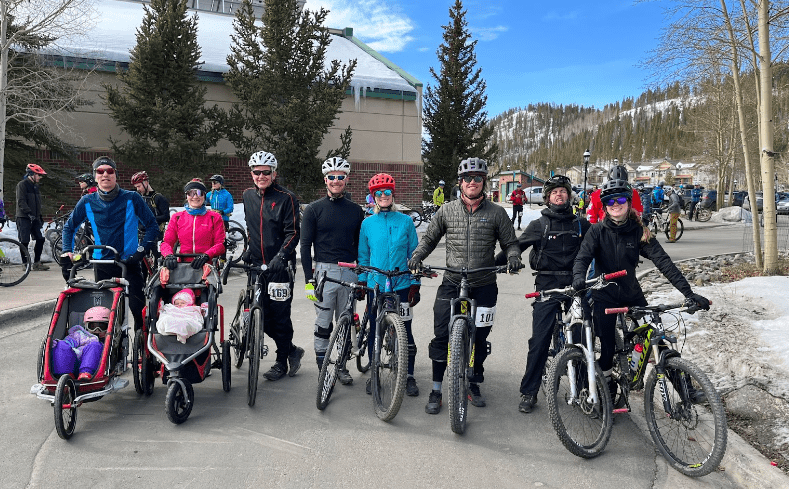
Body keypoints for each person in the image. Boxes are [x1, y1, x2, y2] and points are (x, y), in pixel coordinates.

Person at [572, 178, 710, 403]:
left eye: (620, 200)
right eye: (609, 201)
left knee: (657, 337)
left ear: (628, 203)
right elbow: (582, 258)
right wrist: (579, 277)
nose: (615, 205)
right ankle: (609, 396)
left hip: (631, 294)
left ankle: (687, 391)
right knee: (606, 349)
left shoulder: (639, 231)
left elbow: (664, 262)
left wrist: (688, 293)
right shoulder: (596, 231)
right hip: (604, 296)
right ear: (604, 206)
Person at [407, 157, 521, 414]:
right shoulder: (446, 211)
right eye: (467, 179)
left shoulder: (497, 213)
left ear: (484, 182)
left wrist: (513, 256)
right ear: (460, 183)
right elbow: (429, 240)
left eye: (477, 178)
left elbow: (510, 243)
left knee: (480, 337)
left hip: (484, 283)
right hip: (452, 281)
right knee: (441, 335)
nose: (472, 182)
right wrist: (417, 257)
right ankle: (437, 388)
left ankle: (474, 381)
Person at [499, 175, 591, 414]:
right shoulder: (539, 225)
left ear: (569, 196)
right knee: (539, 340)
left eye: (563, 191)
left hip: (575, 285)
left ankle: (584, 389)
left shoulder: (581, 224)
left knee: (582, 338)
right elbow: (518, 246)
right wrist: (502, 261)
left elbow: (599, 246)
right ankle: (529, 391)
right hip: (547, 285)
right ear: (548, 198)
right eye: (554, 193)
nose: (559, 195)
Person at [61, 156, 159, 333]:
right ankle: (112, 355)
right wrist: (67, 251)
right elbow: (69, 228)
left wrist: (141, 250)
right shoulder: (87, 201)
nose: (105, 174)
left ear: (116, 175)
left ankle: (145, 352)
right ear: (95, 176)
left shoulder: (132, 198)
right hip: (103, 265)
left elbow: (152, 226)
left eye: (109, 171)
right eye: (100, 171)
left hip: (129, 263)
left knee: (139, 311)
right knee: (106, 315)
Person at [300, 156, 365, 384]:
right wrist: (309, 279)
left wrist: (362, 276)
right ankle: (323, 369)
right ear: (325, 179)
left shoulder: (356, 211)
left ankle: (342, 366)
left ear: (346, 179)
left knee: (345, 321)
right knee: (323, 323)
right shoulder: (313, 210)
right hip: (324, 273)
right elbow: (305, 246)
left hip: (349, 272)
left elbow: (360, 246)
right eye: (332, 177)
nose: (336, 181)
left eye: (340, 177)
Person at [358, 173, 421, 396]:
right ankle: (374, 374)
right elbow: (364, 257)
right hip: (376, 286)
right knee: (375, 330)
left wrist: (415, 282)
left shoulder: (405, 221)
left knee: (406, 330)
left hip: (402, 284)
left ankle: (409, 375)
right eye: (379, 193)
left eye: (387, 192)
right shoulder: (367, 223)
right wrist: (363, 282)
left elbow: (414, 254)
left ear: (393, 195)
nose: (383, 196)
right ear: (373, 197)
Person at [243, 150, 304, 381]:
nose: (261, 176)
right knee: (260, 314)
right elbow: (252, 227)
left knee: (279, 316)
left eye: (265, 172)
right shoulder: (248, 195)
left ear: (274, 173)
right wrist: (250, 248)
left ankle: (281, 361)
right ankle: (291, 350)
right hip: (257, 266)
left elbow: (293, 232)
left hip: (280, 267)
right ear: (252, 174)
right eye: (257, 172)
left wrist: (282, 255)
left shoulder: (286, 197)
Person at [161, 179, 226, 269]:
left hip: (207, 265)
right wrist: (168, 255)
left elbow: (220, 245)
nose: (195, 197)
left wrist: (207, 255)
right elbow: (166, 242)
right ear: (186, 196)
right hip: (183, 266)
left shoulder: (214, 217)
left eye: (199, 193)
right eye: (191, 193)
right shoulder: (177, 217)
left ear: (204, 196)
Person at [15, 163, 50, 271]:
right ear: (31, 174)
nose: (40, 177)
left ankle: (37, 263)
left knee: (41, 239)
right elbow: (21, 201)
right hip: (24, 217)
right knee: (24, 240)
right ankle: (25, 263)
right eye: (38, 175)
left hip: (35, 218)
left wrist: (38, 216)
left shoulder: (35, 186)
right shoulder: (22, 185)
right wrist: (28, 213)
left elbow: (37, 203)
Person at [131, 171, 170, 243]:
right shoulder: (140, 198)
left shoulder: (158, 198)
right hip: (140, 235)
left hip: (155, 236)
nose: (137, 189)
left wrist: (149, 219)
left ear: (146, 183)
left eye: (139, 186)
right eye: (136, 187)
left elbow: (166, 216)